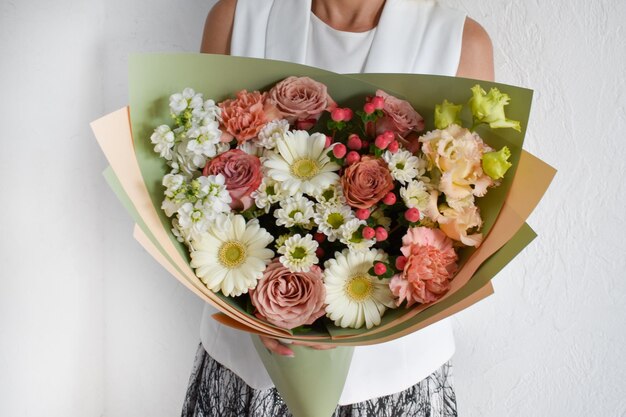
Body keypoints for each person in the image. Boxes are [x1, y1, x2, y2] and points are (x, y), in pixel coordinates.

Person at [182, 0, 494, 416]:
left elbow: (466, 212)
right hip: (247, 369)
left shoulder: (459, 42)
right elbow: (195, 188)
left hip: (396, 379)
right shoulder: (237, 18)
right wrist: (254, 313)